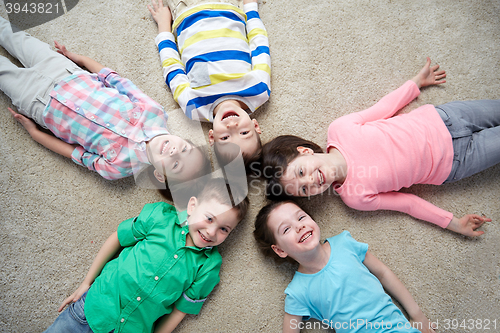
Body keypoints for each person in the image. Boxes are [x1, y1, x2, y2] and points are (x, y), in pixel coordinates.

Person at [259, 58, 498, 237]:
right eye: (303, 190)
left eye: (301, 172)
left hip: (445, 118)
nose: (311, 182)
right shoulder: (355, 198)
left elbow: (384, 108)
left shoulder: (339, 129)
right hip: (456, 163)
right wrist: (454, 223)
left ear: (305, 151)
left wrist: (414, 84)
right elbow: (409, 204)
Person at [0, 17, 209, 183]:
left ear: (160, 176)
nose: (175, 152)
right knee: (17, 38)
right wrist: (79, 59)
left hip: (39, 104)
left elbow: (75, 154)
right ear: (185, 140)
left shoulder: (118, 168)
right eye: (184, 149)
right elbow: (117, 80)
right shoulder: (155, 112)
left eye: (175, 165)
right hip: (67, 73)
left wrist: (35, 134)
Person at [43, 177, 249, 333]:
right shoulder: (160, 216)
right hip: (91, 310)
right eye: (209, 218)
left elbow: (180, 311)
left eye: (224, 229)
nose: (212, 232)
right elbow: (117, 237)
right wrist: (86, 282)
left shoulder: (209, 266)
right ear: (192, 206)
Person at [254, 200, 436, 333]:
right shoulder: (297, 292)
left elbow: (383, 273)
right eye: (286, 229)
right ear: (279, 250)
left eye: (301, 217)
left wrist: (417, 315)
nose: (299, 226)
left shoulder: (344, 243)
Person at [148, 0, 271, 163]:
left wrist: (163, 29)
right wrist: (250, 8)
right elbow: (260, 46)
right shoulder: (259, 91)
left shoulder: (194, 107)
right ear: (255, 126)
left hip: (185, 12)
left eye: (226, 137)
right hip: (228, 7)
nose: (232, 126)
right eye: (244, 133)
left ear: (211, 136)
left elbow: (172, 69)